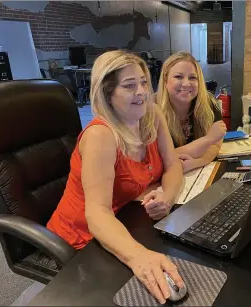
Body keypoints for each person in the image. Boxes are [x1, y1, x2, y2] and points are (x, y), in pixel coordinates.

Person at [47, 50, 184, 305]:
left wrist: (167, 197)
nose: (142, 91)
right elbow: (97, 213)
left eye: (144, 82)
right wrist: (139, 258)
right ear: (108, 94)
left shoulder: (152, 115)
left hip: (127, 217)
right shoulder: (101, 136)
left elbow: (173, 164)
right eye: (130, 86)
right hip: (83, 237)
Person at [156, 52, 227, 173]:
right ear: (165, 81)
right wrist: (207, 139)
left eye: (192, 78)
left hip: (195, 174)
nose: (186, 83)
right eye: (178, 77)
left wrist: (196, 162)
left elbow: (216, 145)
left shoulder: (209, 103)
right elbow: (158, 160)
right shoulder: (151, 110)